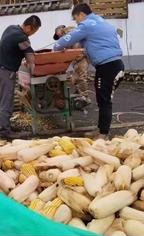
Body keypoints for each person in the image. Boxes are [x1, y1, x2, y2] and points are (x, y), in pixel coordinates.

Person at [53, 3, 124, 139]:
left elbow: (67, 39)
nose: (76, 22)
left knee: (104, 100)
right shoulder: (101, 21)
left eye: (76, 18)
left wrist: (55, 47)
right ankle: (101, 130)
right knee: (102, 99)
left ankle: (103, 135)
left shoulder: (87, 24)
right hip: (114, 64)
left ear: (81, 14)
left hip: (108, 66)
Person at [0, 16, 41, 139]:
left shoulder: (11, 28)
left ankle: (5, 125)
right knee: (6, 102)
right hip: (6, 72)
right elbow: (30, 57)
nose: (32, 35)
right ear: (27, 27)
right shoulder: (21, 37)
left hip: (0, 69)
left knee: (4, 100)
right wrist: (33, 72)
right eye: (33, 31)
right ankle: (4, 132)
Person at [53, 25, 91, 105]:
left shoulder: (70, 33)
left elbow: (76, 48)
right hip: (76, 58)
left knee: (81, 77)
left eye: (58, 34)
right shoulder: (66, 38)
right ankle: (79, 94)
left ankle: (85, 97)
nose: (58, 36)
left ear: (60, 30)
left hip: (81, 57)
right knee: (75, 77)